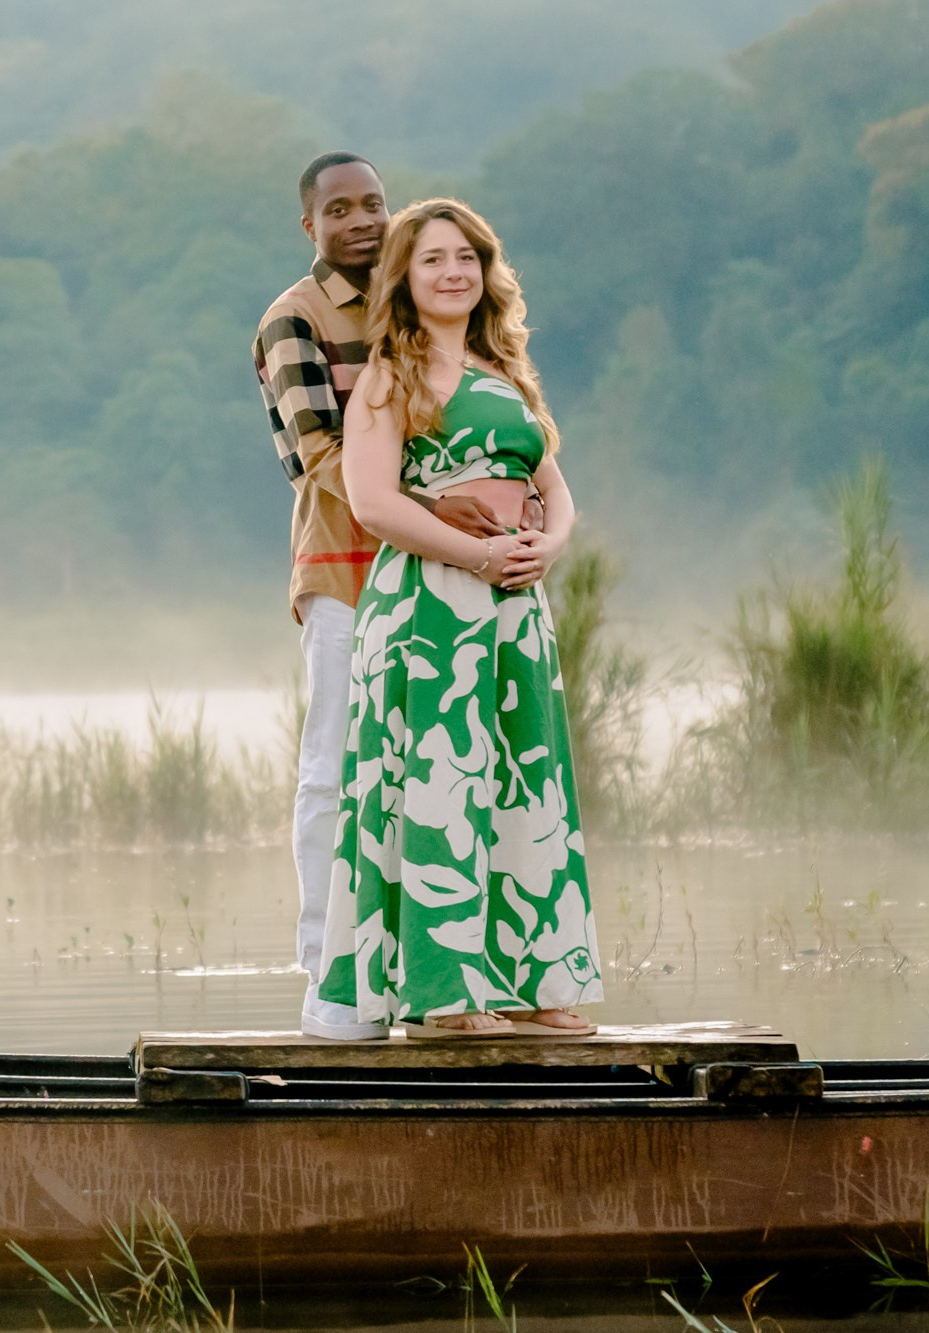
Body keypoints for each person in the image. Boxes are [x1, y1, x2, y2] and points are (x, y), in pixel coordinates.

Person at [306, 197, 602, 1040]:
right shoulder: (385, 379)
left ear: (487, 273)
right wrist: (472, 556)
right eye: (434, 258)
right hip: (430, 613)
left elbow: (554, 484)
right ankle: (441, 998)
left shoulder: (504, 372)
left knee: (525, 785)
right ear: (405, 275)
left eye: (468, 257)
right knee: (440, 790)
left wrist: (551, 544)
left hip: (515, 610)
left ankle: (532, 984)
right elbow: (370, 502)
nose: (454, 272)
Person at [252, 155, 509, 1036]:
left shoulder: (420, 308)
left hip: (443, 577)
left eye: (374, 203)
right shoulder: (296, 320)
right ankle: (329, 973)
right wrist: (430, 501)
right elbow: (321, 460)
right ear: (310, 226)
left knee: (428, 768)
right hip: (348, 569)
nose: (362, 220)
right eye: (340, 208)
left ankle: (423, 974)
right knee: (333, 768)